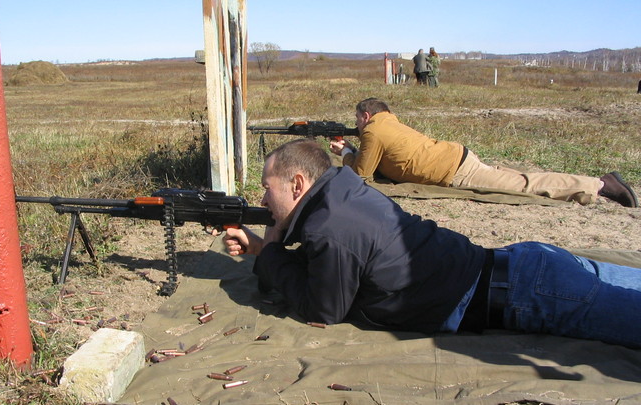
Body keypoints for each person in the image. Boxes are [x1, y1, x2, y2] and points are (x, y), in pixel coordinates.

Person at [223, 138, 641, 349]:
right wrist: (267, 246)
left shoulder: (330, 227)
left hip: (528, 293)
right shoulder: (342, 190)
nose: (261, 198)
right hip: (525, 268)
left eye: (266, 188)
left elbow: (322, 309)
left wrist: (271, 251)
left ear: (298, 184)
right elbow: (331, 269)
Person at [328, 98, 638, 207]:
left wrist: (346, 152)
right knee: (516, 178)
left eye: (357, 120)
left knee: (523, 184)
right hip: (455, 158)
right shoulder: (389, 122)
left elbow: (361, 175)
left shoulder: (374, 130)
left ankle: (598, 185)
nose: (356, 124)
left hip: (457, 171)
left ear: (365, 116)